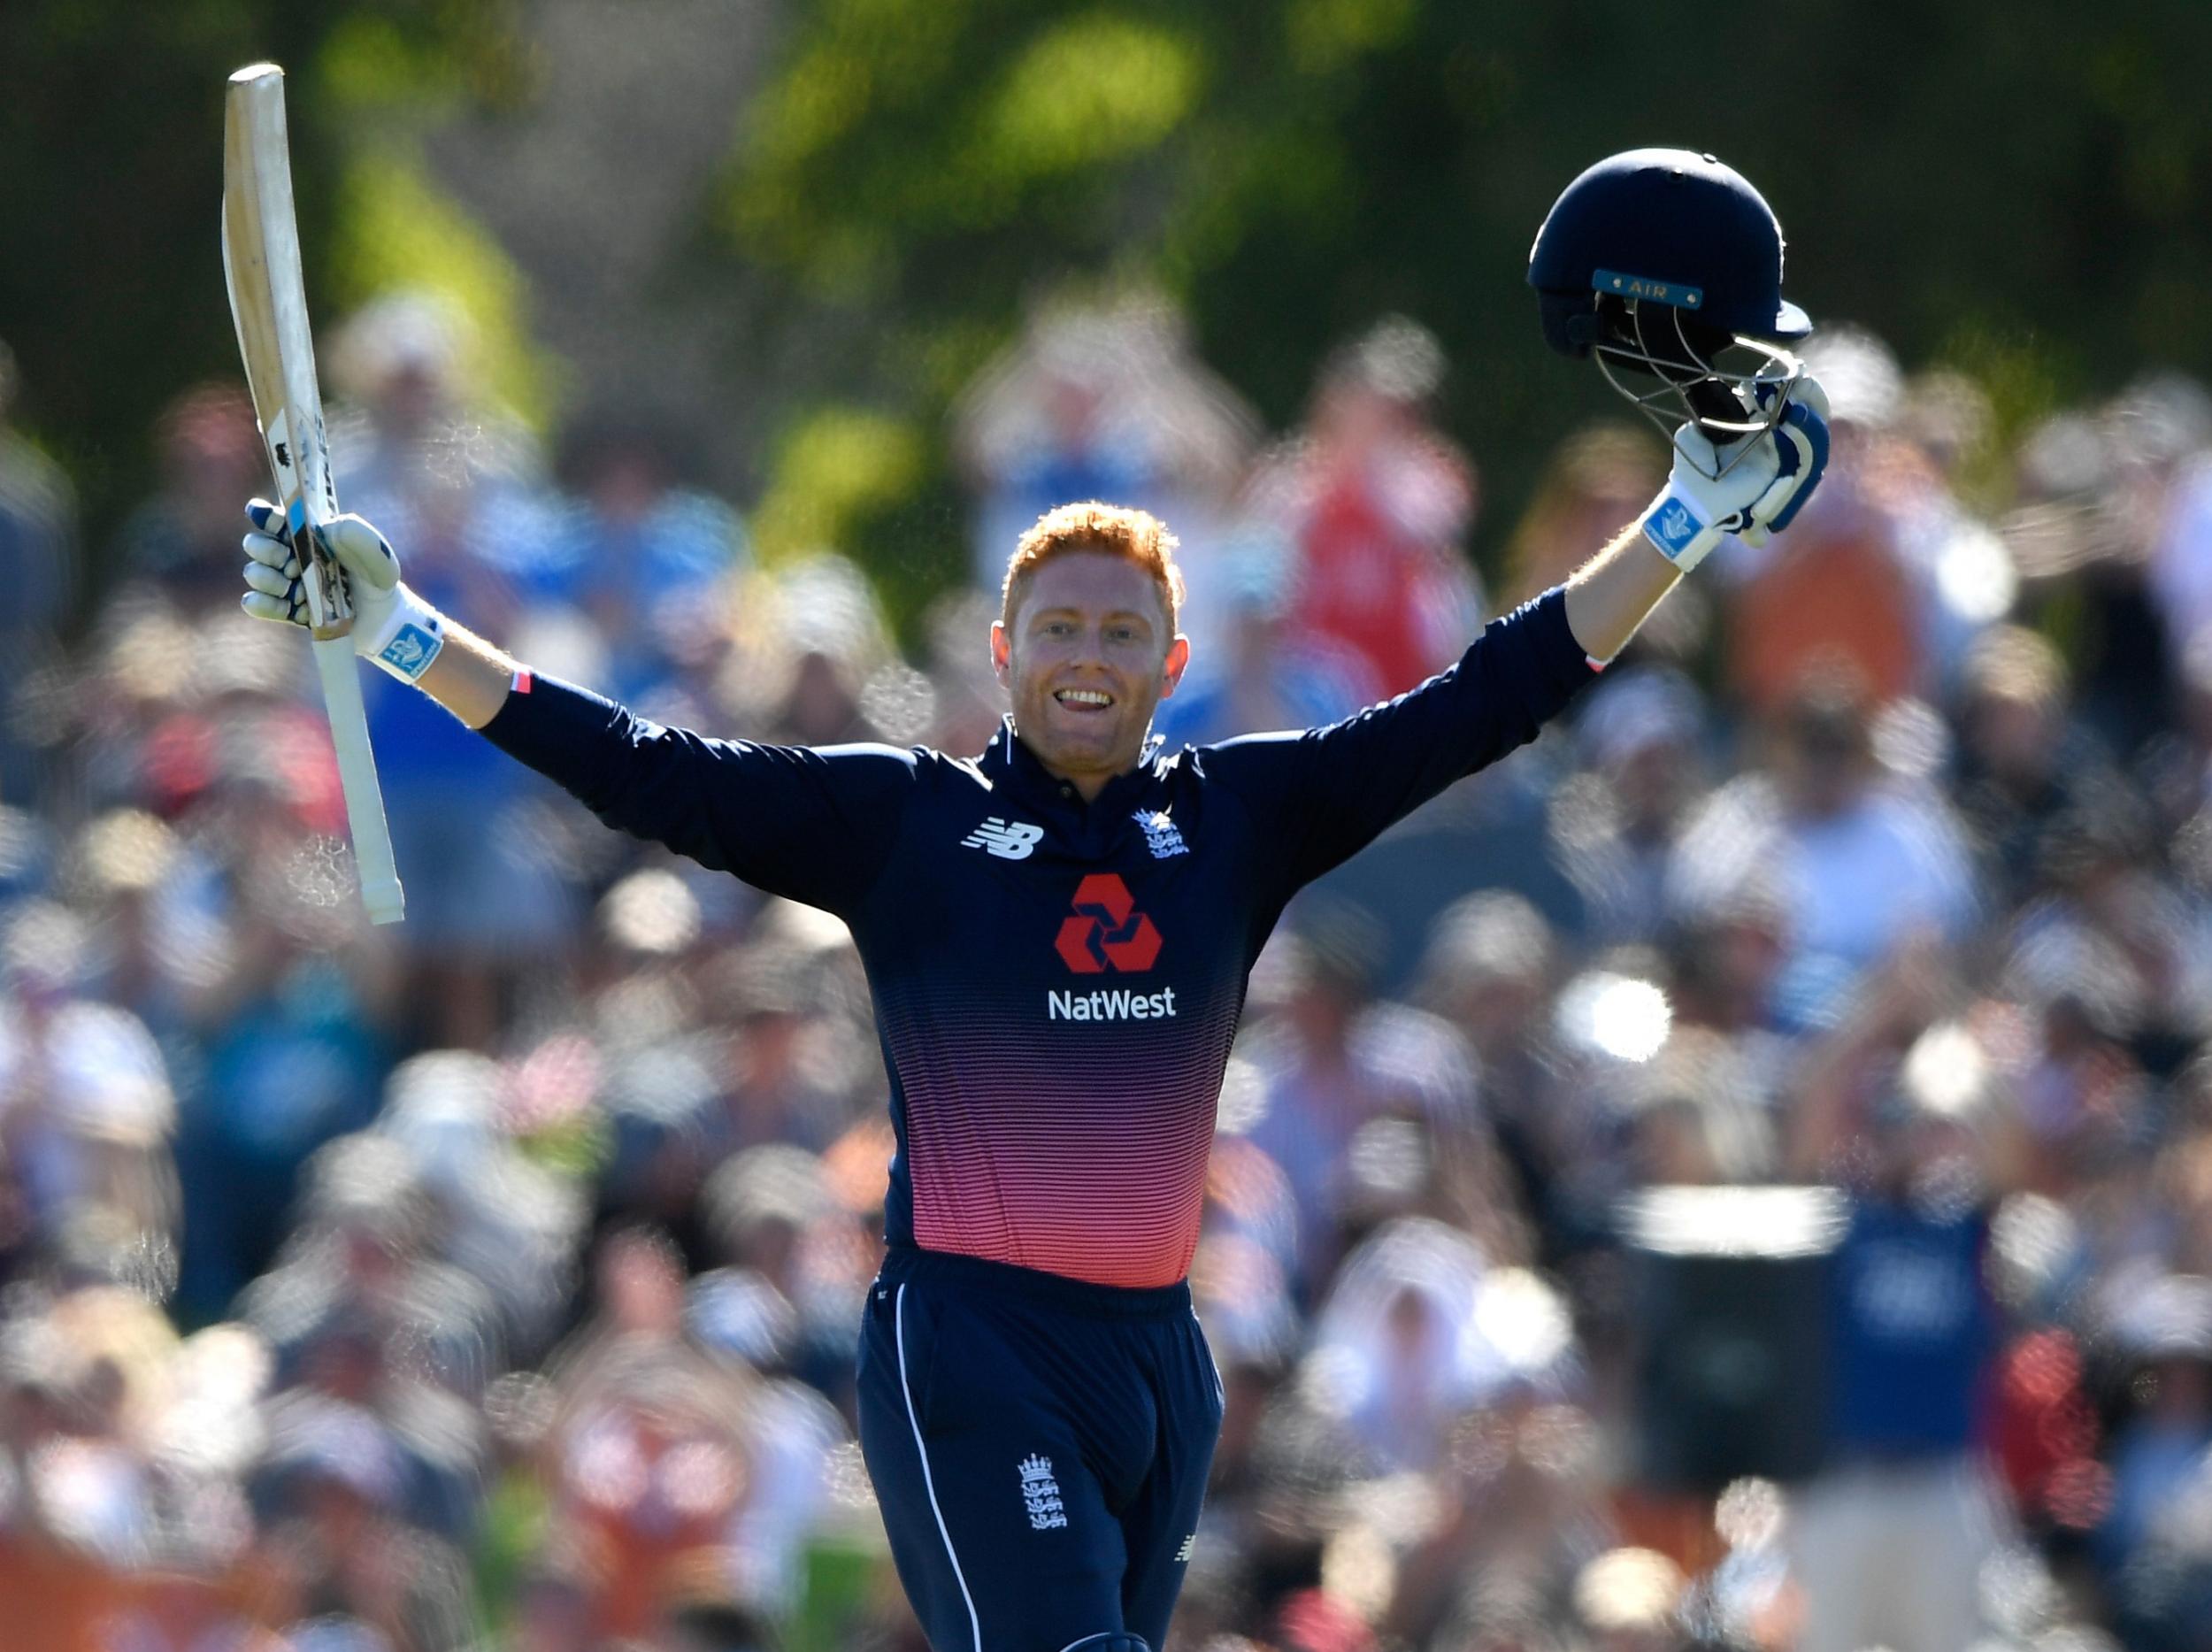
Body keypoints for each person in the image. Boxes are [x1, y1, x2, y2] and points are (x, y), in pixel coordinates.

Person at [235, 147, 1830, 1652]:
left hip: (1159, 1360)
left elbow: (1493, 695)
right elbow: (646, 766)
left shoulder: (1243, 815)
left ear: (1171, 669)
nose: (1085, 658)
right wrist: (398, 628)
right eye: (1055, 630)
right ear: (1000, 656)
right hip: (972, 1345)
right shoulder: (903, 823)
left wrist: (1683, 517)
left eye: (1120, 635)